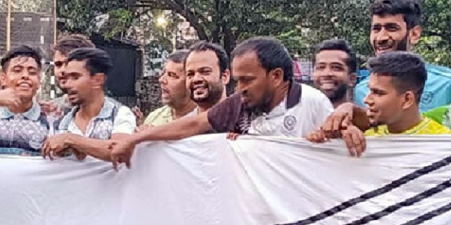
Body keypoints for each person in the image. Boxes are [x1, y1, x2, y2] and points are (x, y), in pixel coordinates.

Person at [110, 37, 333, 168]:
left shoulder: (313, 103)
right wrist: (136, 139)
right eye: (238, 80)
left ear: (276, 76)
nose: (240, 88)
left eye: (248, 80)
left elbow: (340, 152)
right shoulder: (239, 103)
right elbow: (194, 124)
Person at [353, 0, 451, 111]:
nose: (381, 38)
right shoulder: (361, 92)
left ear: (414, 34)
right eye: (376, 29)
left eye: (392, 28)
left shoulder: (449, 86)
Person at [311, 52, 450, 140]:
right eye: (370, 91)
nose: (367, 99)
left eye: (378, 93)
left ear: (407, 99)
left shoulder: (442, 142)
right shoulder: (366, 140)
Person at [42, 48, 136, 160]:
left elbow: (120, 151)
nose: (67, 84)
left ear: (98, 80)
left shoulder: (120, 114)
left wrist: (72, 140)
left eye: (75, 77)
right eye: (66, 78)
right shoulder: (61, 121)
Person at [142, 50, 195, 128]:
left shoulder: (207, 120)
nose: (161, 80)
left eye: (172, 75)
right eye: (163, 73)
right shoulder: (154, 118)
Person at [185, 41, 230, 113]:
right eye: (190, 74)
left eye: (205, 72)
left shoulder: (245, 118)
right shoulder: (185, 120)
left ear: (225, 77)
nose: (196, 79)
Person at [312, 39, 358, 108]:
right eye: (321, 67)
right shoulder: (301, 113)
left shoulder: (366, 114)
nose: (326, 74)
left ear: (352, 79)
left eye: (336, 68)